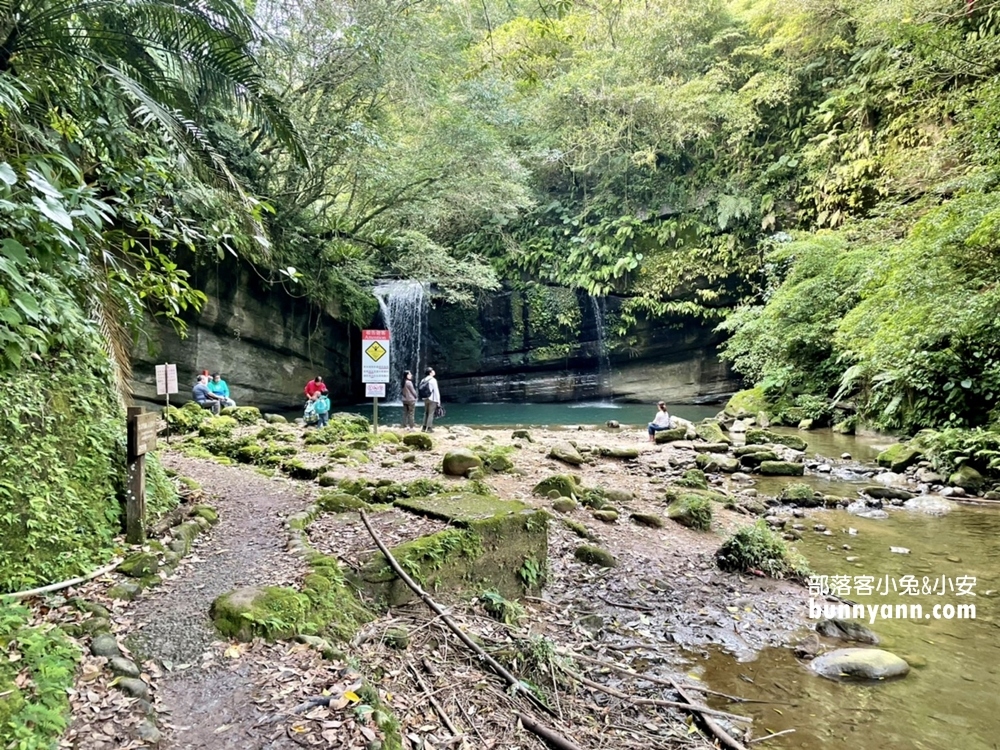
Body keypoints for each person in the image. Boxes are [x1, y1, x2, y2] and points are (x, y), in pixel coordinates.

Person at [418, 367, 440, 433]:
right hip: (432, 399)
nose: (434, 371)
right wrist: (438, 401)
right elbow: (436, 391)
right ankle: (429, 428)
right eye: (433, 370)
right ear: (430, 372)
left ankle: (424, 427)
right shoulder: (433, 380)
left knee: (426, 413)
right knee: (431, 413)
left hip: (425, 398)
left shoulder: (423, 380)